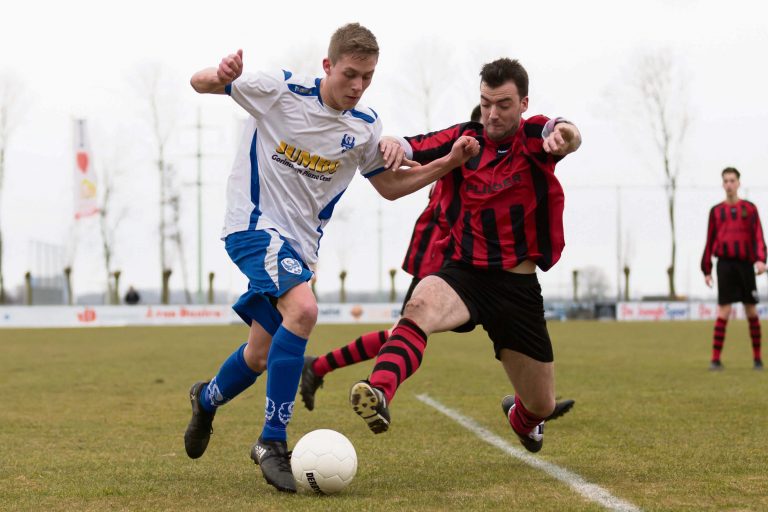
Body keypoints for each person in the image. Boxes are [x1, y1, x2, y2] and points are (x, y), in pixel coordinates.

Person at [184, 23, 480, 494]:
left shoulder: (364, 127)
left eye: (368, 76)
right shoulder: (280, 90)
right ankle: (272, 442)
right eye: (350, 74)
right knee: (304, 310)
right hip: (252, 226)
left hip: (300, 250)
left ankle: (207, 398)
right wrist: (219, 73)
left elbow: (389, 186)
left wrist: (449, 164)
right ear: (327, 66)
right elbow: (200, 83)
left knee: (260, 355)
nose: (358, 86)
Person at [347, 58, 582, 454]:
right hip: (464, 275)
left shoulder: (535, 137)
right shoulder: (465, 139)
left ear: (524, 103)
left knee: (541, 404)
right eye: (486, 102)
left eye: (503, 104)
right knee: (419, 306)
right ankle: (379, 390)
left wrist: (566, 136)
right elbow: (413, 144)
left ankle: (521, 418)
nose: (492, 113)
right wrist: (393, 143)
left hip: (516, 287)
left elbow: (566, 132)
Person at [299, 103, 574, 423]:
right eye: (486, 116)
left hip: (460, 258)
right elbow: (414, 157)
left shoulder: (483, 160)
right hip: (442, 255)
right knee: (409, 329)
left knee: (405, 332)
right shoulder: (463, 154)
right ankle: (330, 371)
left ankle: (319, 367)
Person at [701, 167, 766, 371]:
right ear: (722, 184)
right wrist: (706, 269)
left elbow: (758, 235)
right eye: (726, 181)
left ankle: (757, 359)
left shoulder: (750, 209)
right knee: (724, 310)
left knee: (751, 310)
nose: (729, 184)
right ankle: (715, 359)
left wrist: (761, 259)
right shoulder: (716, 211)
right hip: (725, 265)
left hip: (745, 264)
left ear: (739, 183)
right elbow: (709, 240)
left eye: (732, 180)